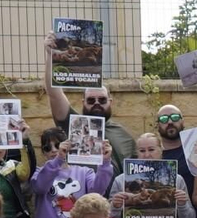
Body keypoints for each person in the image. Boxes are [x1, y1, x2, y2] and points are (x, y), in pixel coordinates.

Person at [29, 126, 115, 218]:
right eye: (48, 147)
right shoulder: (38, 172)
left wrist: (105, 161)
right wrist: (58, 160)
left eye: (59, 144)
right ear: (43, 152)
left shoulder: (84, 171)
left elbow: (97, 192)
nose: (54, 150)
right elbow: (40, 186)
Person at [44, 35, 136, 168]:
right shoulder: (73, 124)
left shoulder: (123, 135)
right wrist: (49, 55)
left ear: (110, 101)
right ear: (83, 102)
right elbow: (54, 94)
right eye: (91, 100)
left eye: (102, 100)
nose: (97, 103)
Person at [153, 104, 197, 218]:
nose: (170, 122)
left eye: (175, 117)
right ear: (157, 125)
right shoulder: (152, 155)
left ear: (183, 121)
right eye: (164, 119)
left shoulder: (195, 150)